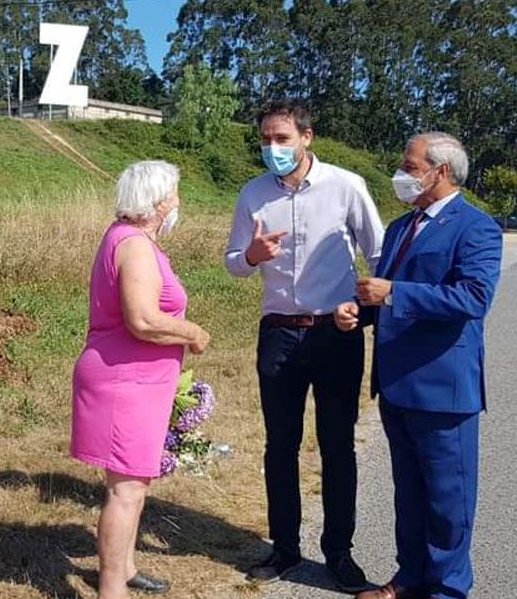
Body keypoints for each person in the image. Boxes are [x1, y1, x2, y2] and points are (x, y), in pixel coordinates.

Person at [224, 99, 385, 592]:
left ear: (306, 137)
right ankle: (285, 548)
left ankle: (339, 552)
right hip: (278, 331)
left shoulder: (346, 186)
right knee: (280, 446)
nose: (273, 148)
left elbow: (379, 254)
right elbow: (233, 261)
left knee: (337, 445)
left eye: (282, 138)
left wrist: (364, 310)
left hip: (335, 331)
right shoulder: (253, 193)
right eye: (266, 140)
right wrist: (251, 254)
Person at [341, 132, 502, 599]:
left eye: (410, 167)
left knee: (448, 499)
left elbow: (473, 298)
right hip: (396, 385)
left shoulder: (476, 227)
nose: (401, 174)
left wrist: (392, 293)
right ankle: (409, 577)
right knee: (409, 494)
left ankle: (448, 589)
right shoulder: (399, 227)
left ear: (441, 171)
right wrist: (360, 312)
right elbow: (387, 294)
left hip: (443, 388)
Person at [71, 160, 211, 599]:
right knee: (126, 489)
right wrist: (193, 333)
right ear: (157, 202)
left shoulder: (132, 238)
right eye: (174, 195)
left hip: (139, 382)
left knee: (134, 482)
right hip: (124, 382)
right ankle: (112, 590)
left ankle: (124, 567)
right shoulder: (133, 245)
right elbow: (143, 320)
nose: (177, 203)